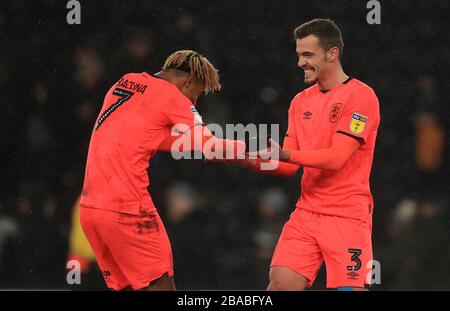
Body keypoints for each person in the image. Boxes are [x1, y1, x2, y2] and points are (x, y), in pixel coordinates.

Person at [227, 19, 380, 290]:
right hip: (306, 212)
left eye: (308, 55)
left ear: (332, 54)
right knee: (280, 284)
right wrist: (241, 158)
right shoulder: (300, 101)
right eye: (298, 54)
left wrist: (284, 154)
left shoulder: (361, 97)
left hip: (346, 216)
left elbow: (336, 159)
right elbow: (287, 167)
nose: (300, 62)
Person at [79, 50, 245, 291]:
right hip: (128, 210)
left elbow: (153, 138)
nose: (194, 103)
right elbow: (209, 145)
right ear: (188, 81)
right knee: (162, 286)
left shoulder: (125, 81)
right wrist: (249, 149)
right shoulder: (171, 96)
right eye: (196, 95)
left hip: (91, 211)